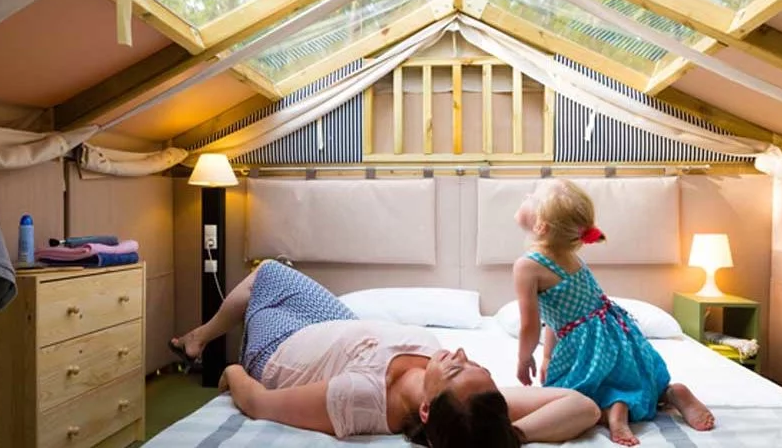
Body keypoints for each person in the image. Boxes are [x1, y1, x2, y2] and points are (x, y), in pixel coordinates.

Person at [170, 260, 601, 447]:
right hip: (339, 326)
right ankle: (198, 337)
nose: (460, 353)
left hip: (279, 347)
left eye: (457, 370)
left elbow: (260, 404)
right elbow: (583, 405)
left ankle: (200, 341)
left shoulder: (359, 398)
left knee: (267, 273)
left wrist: (231, 370)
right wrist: (511, 437)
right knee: (272, 273)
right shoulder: (473, 405)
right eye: (473, 364)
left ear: (427, 410)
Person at [511, 179, 715, 446]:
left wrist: (524, 358)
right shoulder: (570, 257)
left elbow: (530, 324)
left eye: (531, 197)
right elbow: (557, 318)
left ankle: (613, 410)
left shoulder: (527, 266)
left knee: (566, 401)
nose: (526, 196)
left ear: (541, 226)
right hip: (617, 336)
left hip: (587, 350)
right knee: (628, 380)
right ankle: (668, 394)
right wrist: (548, 355)